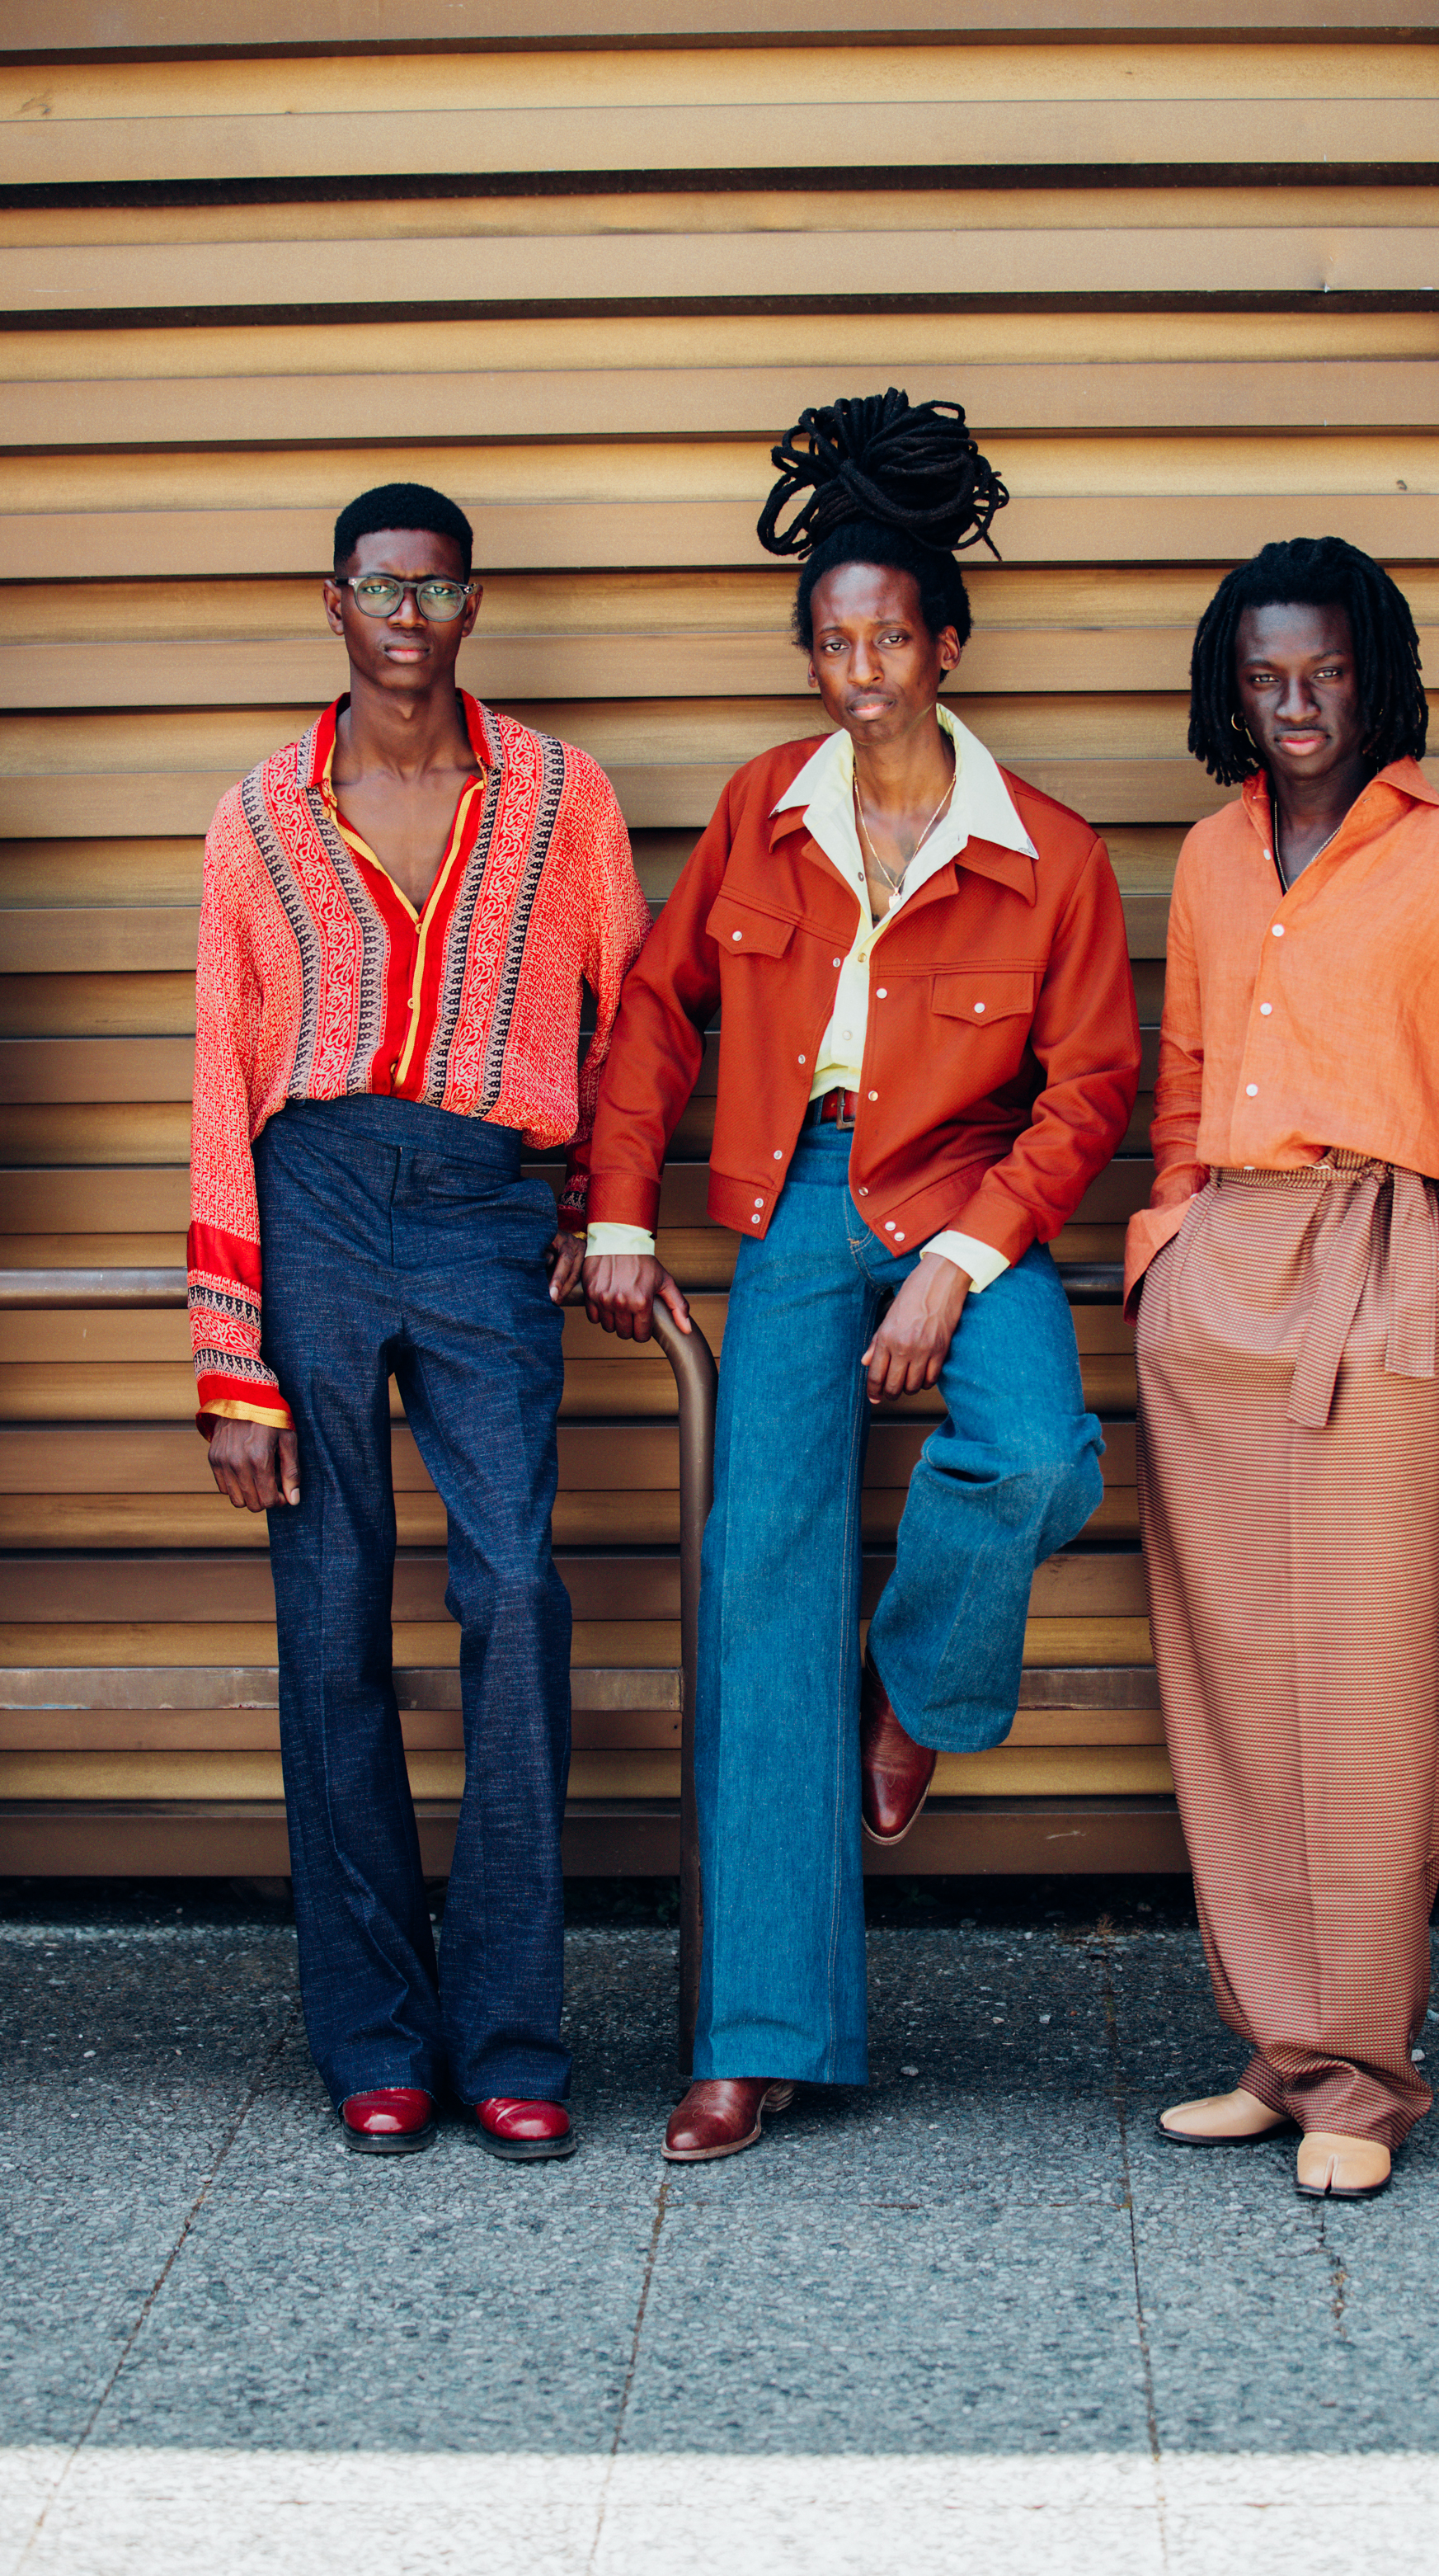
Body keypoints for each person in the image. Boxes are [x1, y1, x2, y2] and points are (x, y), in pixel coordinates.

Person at [583, 392, 1141, 2160]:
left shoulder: (1046, 850)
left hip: (970, 1194)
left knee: (1042, 1455)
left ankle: (914, 1692)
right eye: (832, 641)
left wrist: (965, 1258)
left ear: (945, 645)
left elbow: (1098, 1087)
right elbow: (659, 1014)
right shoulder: (763, 813)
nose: (861, 669)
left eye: (889, 635)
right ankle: (755, 2037)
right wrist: (613, 1210)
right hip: (789, 1197)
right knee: (760, 1588)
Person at [1128, 535, 1439, 2200]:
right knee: (1229, 1681)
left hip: (1373, 1268)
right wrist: (1165, 1248)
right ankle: (1277, 2053)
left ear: (1374, 672)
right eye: (1263, 676)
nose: (1293, 706)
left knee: (1355, 1682)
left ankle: (1362, 2076)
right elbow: (1185, 1074)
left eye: (1323, 672)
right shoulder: (1206, 859)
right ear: (1230, 685)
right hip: (1223, 1276)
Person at [190, 480, 649, 2159]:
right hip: (308, 1197)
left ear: (472, 606)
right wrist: (226, 1348)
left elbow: (635, 1020)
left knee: (515, 1588)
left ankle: (513, 2032)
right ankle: (376, 2032)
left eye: (436, 588)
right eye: (379, 588)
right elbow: (218, 1085)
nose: (407, 615)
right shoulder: (258, 816)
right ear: (335, 604)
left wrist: (608, 1211)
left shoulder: (558, 797)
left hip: (477, 1207)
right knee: (330, 1613)